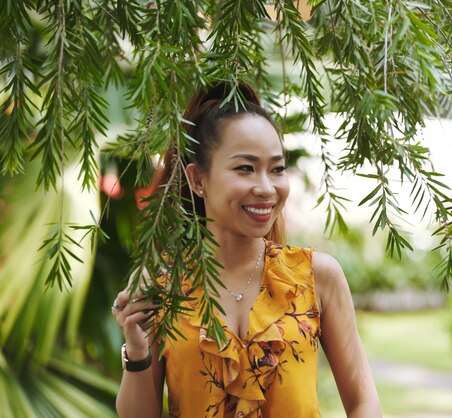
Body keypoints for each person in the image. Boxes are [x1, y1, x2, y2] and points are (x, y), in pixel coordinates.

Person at [111, 82, 381, 418]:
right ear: (197, 179)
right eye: (245, 168)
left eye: (277, 169)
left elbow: (363, 402)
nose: (267, 188)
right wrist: (137, 350)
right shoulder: (165, 287)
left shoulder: (317, 276)